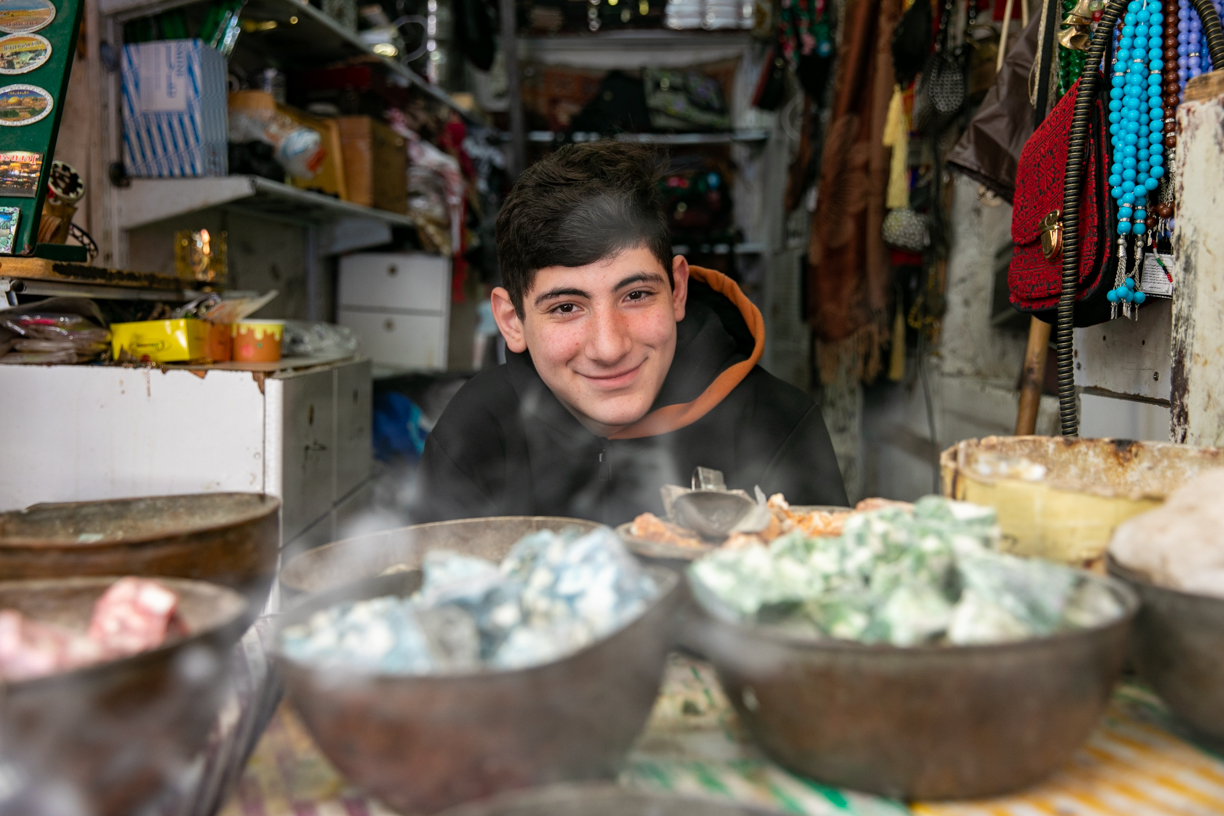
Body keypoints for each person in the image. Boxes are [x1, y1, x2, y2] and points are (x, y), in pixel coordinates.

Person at [409, 142, 847, 525]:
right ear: (512, 320)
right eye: (566, 307)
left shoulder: (778, 422)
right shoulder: (474, 433)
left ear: (676, 290)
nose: (609, 347)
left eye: (635, 295)